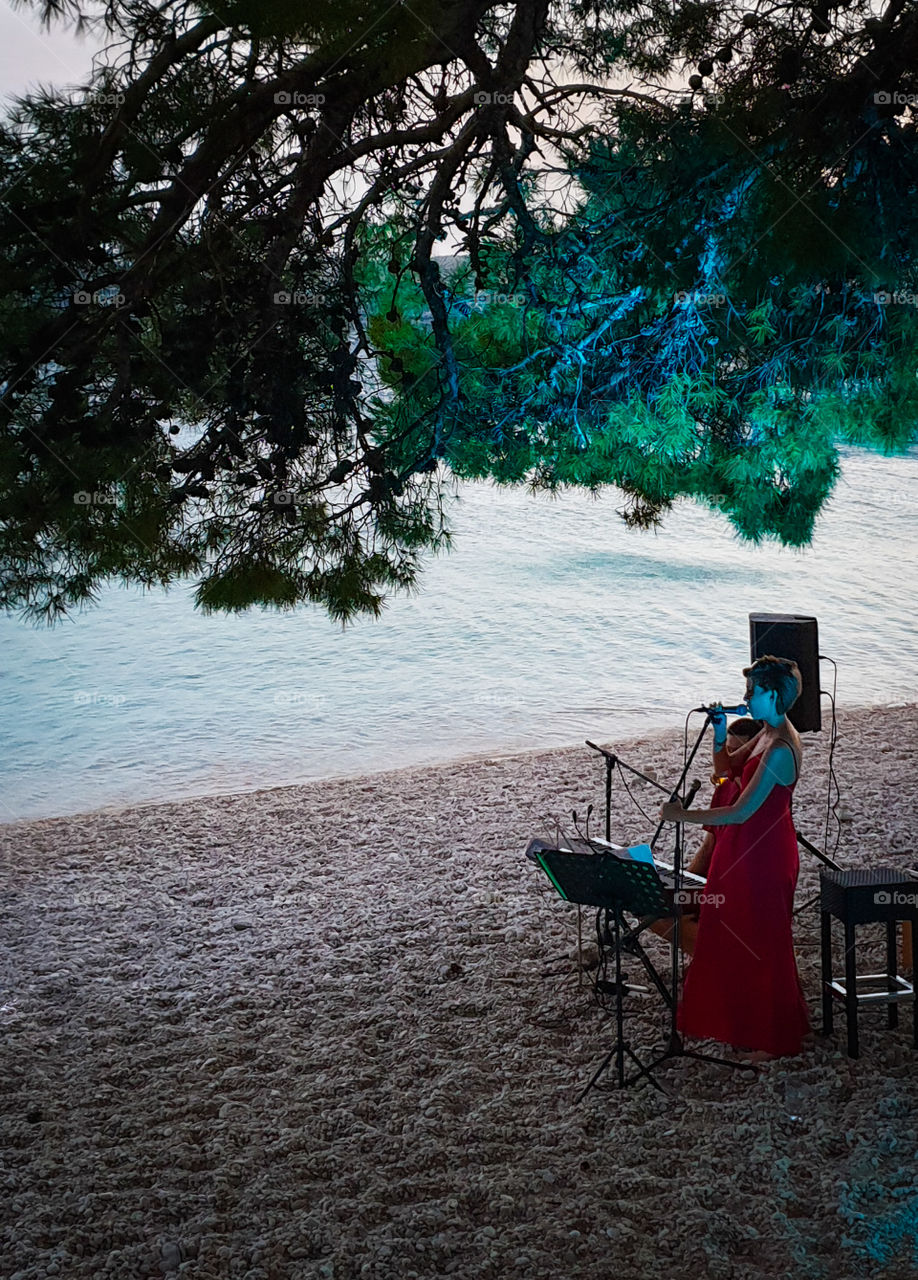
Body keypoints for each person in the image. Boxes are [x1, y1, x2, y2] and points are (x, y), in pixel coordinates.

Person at [659, 655, 811, 1060]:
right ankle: (748, 1024)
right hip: (742, 849)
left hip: (765, 854)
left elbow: (741, 809)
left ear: (775, 695)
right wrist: (720, 732)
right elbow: (726, 771)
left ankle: (773, 1038)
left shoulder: (781, 747)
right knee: (734, 935)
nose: (747, 697)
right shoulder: (764, 733)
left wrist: (682, 816)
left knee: (763, 944)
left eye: (754, 691)